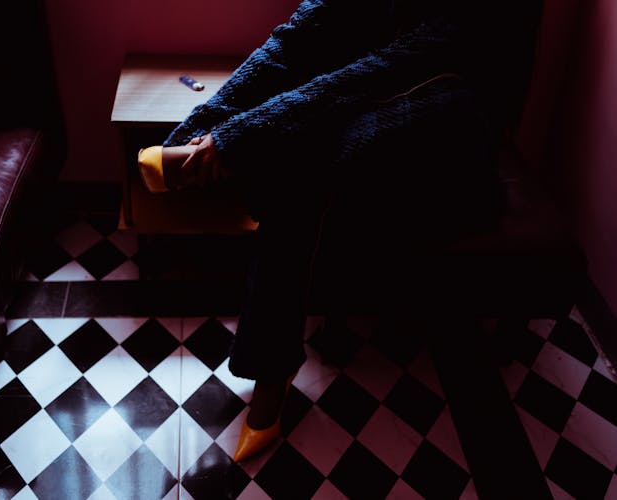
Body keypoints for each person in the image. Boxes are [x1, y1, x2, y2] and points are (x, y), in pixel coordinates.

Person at [151, 0, 544, 462]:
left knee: (301, 153)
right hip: (375, 96)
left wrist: (234, 138)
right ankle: (271, 380)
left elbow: (386, 68)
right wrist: (202, 124)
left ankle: (271, 382)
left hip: (450, 127)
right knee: (299, 139)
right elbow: (295, 39)